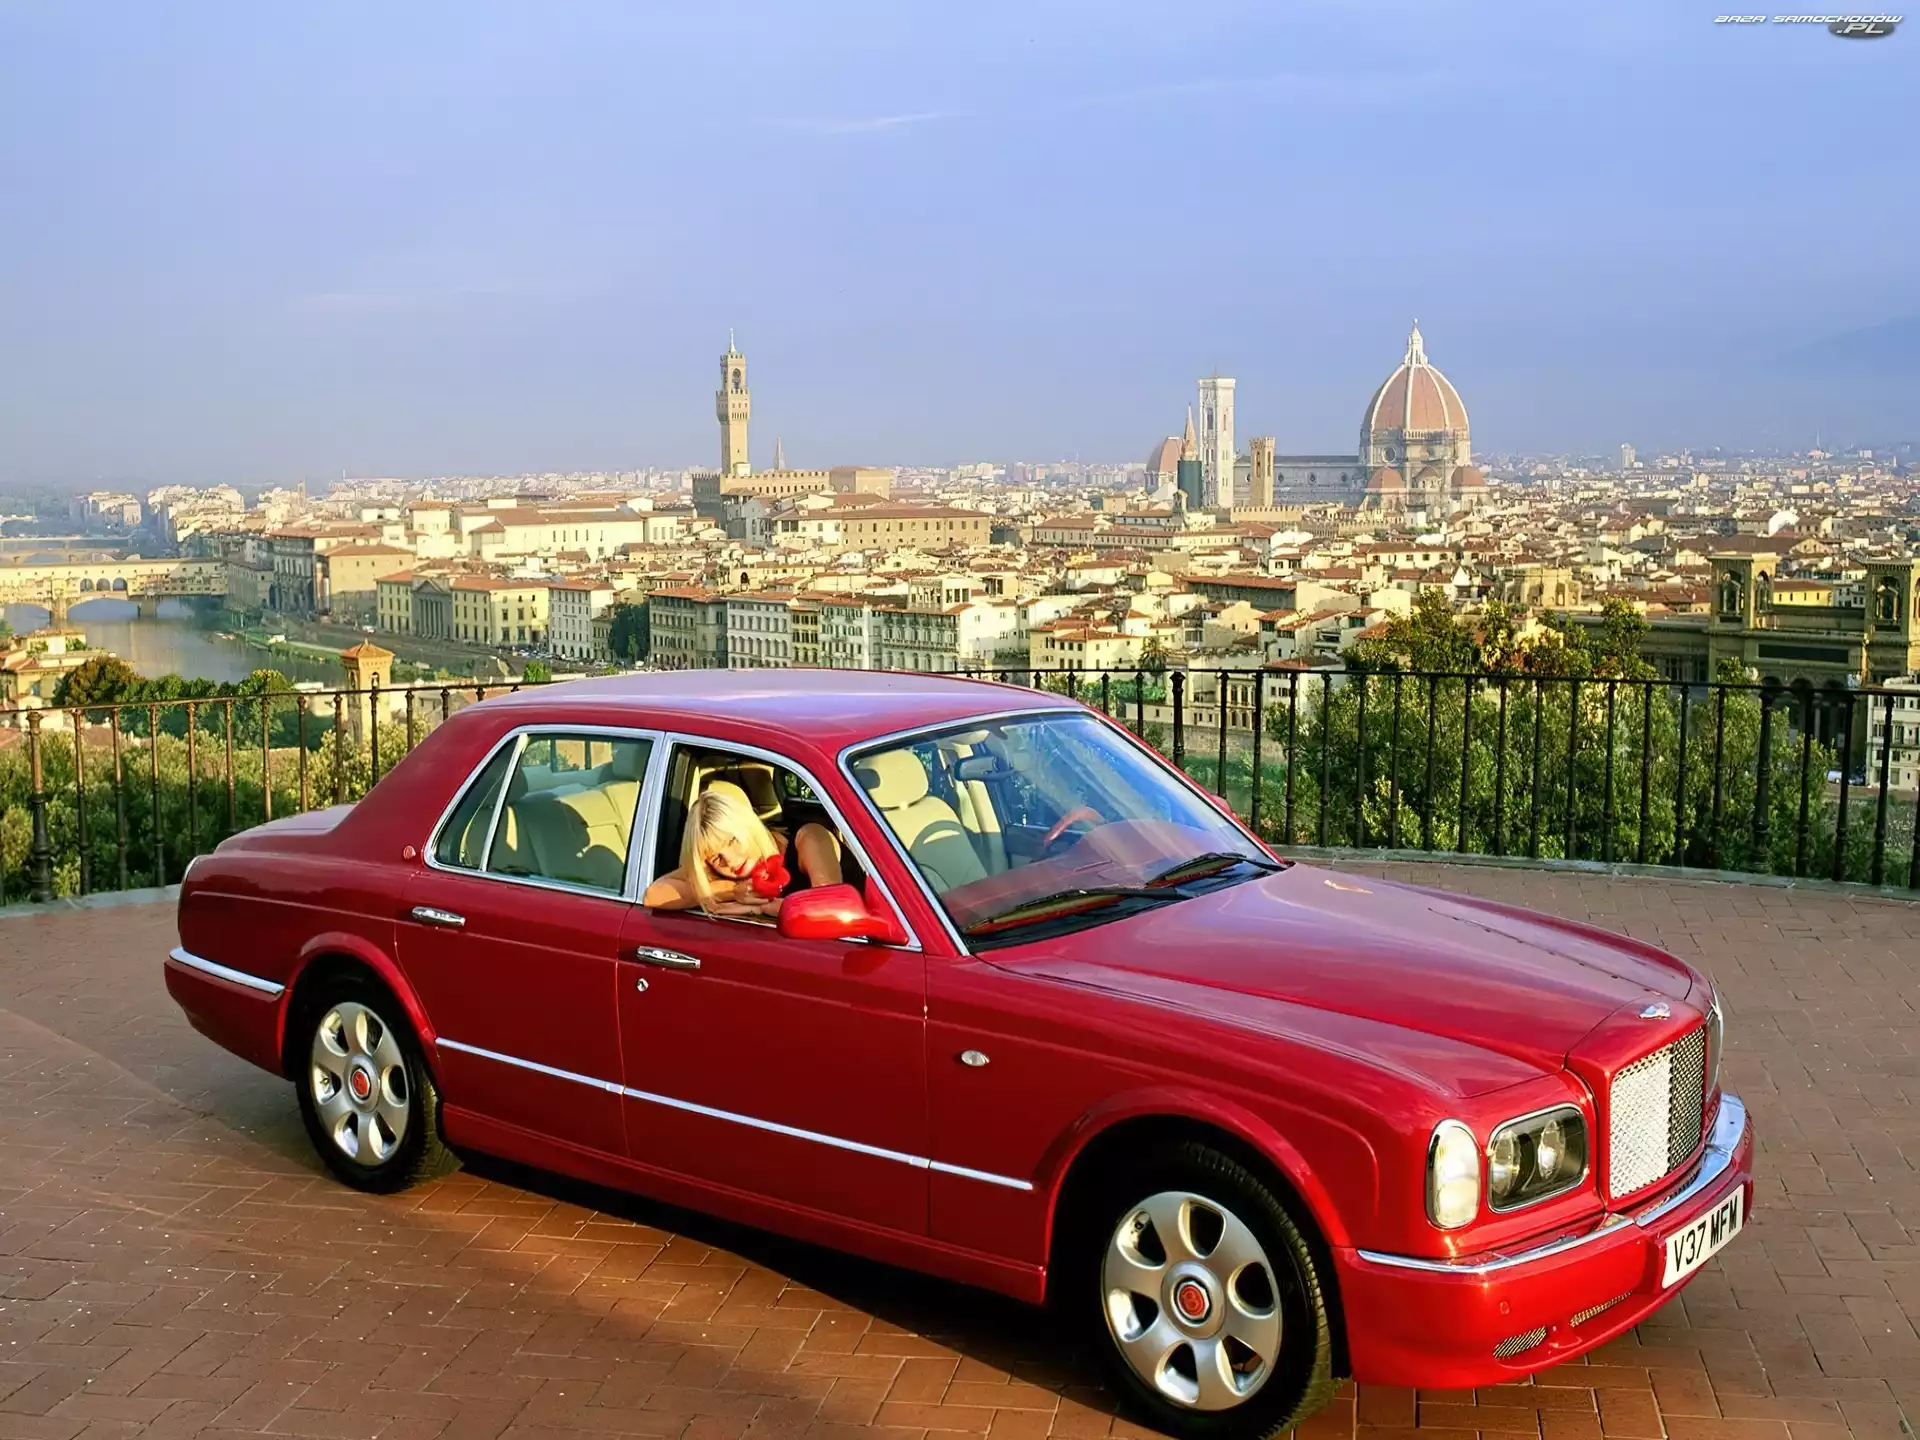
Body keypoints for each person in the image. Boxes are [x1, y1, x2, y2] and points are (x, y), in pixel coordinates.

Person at [643, 780, 842, 918]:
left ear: (748, 826)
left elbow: (831, 909)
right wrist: (732, 891)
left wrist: (761, 908)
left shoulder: (808, 838)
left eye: (732, 841)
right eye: (715, 857)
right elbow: (653, 895)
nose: (729, 860)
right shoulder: (715, 872)